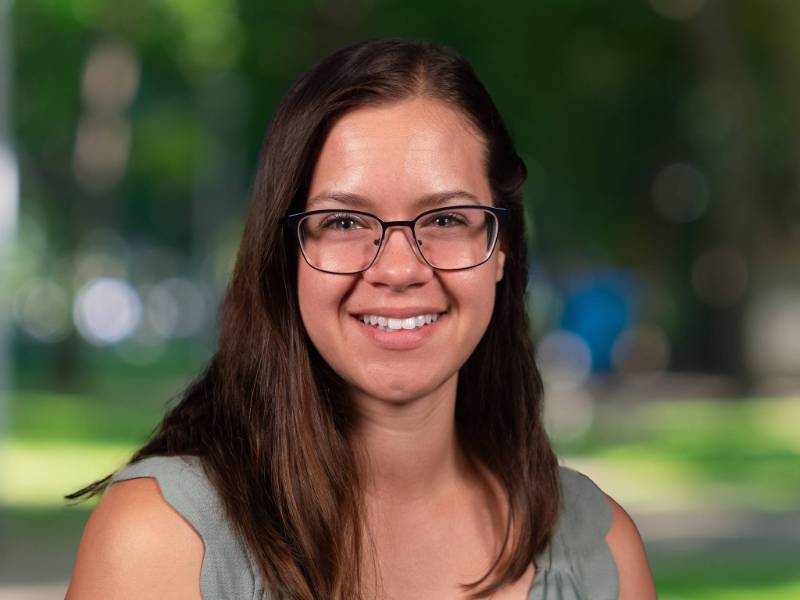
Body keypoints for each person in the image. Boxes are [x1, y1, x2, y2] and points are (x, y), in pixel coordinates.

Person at [65, 38, 657, 599]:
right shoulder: (161, 542)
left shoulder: (599, 550)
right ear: (285, 254)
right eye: (344, 223)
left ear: (500, 248)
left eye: (446, 220)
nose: (399, 270)